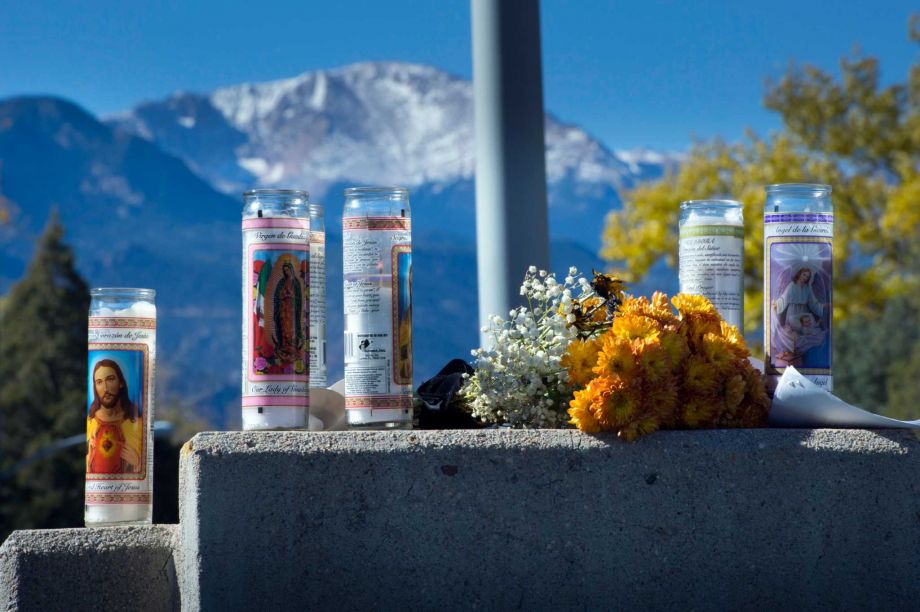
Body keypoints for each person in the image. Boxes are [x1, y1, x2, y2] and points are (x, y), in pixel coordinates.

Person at [86, 359, 142, 474]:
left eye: (110, 379)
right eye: (99, 382)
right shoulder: (91, 421)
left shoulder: (137, 423)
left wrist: (138, 463)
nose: (105, 388)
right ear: (95, 387)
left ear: (121, 382)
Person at [272, 260, 304, 364]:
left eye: (288, 270)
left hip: (292, 310)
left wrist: (290, 295)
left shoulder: (296, 283)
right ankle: (284, 345)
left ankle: (292, 346)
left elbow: (298, 297)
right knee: (284, 328)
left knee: (291, 327)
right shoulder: (281, 282)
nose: (286, 272)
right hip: (283, 309)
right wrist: (284, 295)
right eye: (285, 270)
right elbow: (278, 295)